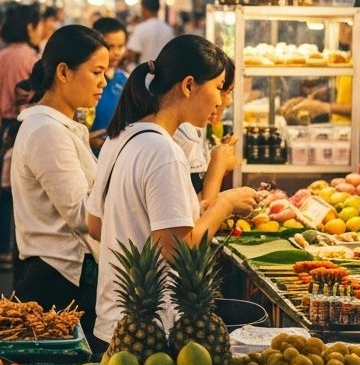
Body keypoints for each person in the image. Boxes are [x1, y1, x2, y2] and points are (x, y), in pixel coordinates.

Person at [88, 35, 261, 347]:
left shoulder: (121, 136)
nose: (220, 101)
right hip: (153, 331)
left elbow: (96, 225)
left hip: (115, 325)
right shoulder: (163, 151)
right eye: (219, 87)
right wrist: (225, 203)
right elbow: (179, 250)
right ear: (189, 85)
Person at [11, 25, 109, 348]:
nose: (103, 82)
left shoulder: (60, 126)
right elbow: (83, 214)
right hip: (58, 281)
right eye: (96, 72)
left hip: (65, 275)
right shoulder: (45, 131)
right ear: (64, 72)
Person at [0, 4, 43, 270]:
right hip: (26, 126)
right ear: (30, 27)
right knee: (25, 190)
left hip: (6, 128)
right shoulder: (31, 58)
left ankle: (1, 248)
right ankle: (19, 247)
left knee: (4, 192)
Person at [282, 23, 360, 156]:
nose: (337, 31)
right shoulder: (351, 58)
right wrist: (317, 95)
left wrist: (324, 107)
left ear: (350, 27)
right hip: (342, 134)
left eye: (339, 26)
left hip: (359, 135)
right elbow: (346, 93)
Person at [89, 17, 130, 152]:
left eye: (121, 46)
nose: (117, 52)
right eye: (111, 46)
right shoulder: (84, 80)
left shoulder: (124, 79)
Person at [125, 0, 174, 65]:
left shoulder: (141, 28)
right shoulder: (168, 29)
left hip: (146, 72)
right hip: (165, 72)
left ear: (143, 8)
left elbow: (131, 52)